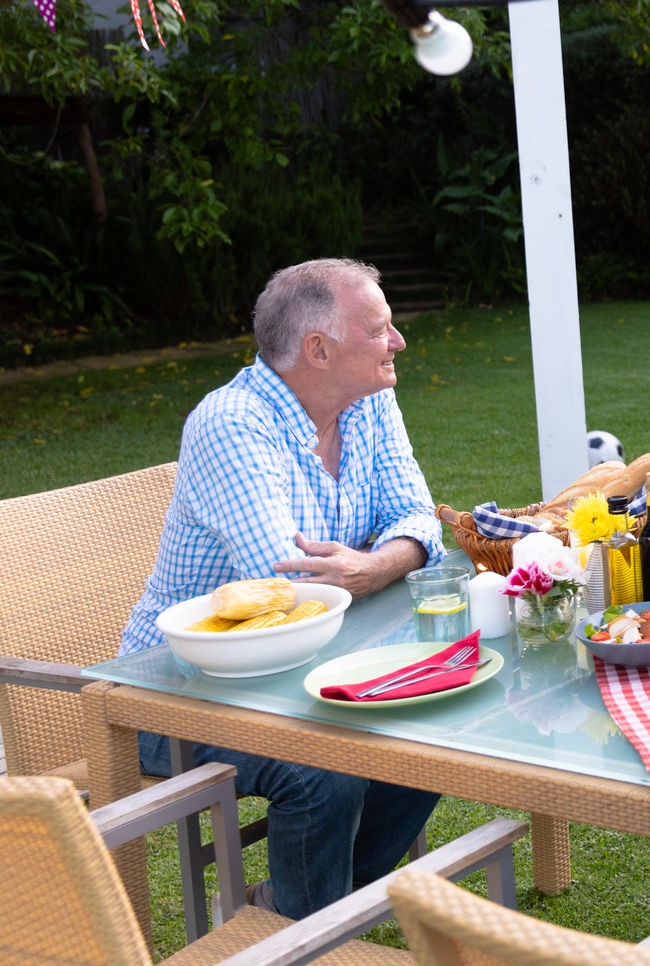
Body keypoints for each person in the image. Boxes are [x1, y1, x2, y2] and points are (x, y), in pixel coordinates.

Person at [120, 258, 445, 919]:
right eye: (380, 328)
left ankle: (285, 912)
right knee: (324, 766)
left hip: (308, 667)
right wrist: (374, 564)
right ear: (319, 349)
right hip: (174, 691)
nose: (398, 342)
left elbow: (419, 518)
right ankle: (305, 923)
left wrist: (374, 566)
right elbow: (292, 584)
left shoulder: (369, 399)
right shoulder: (232, 424)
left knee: (435, 716)